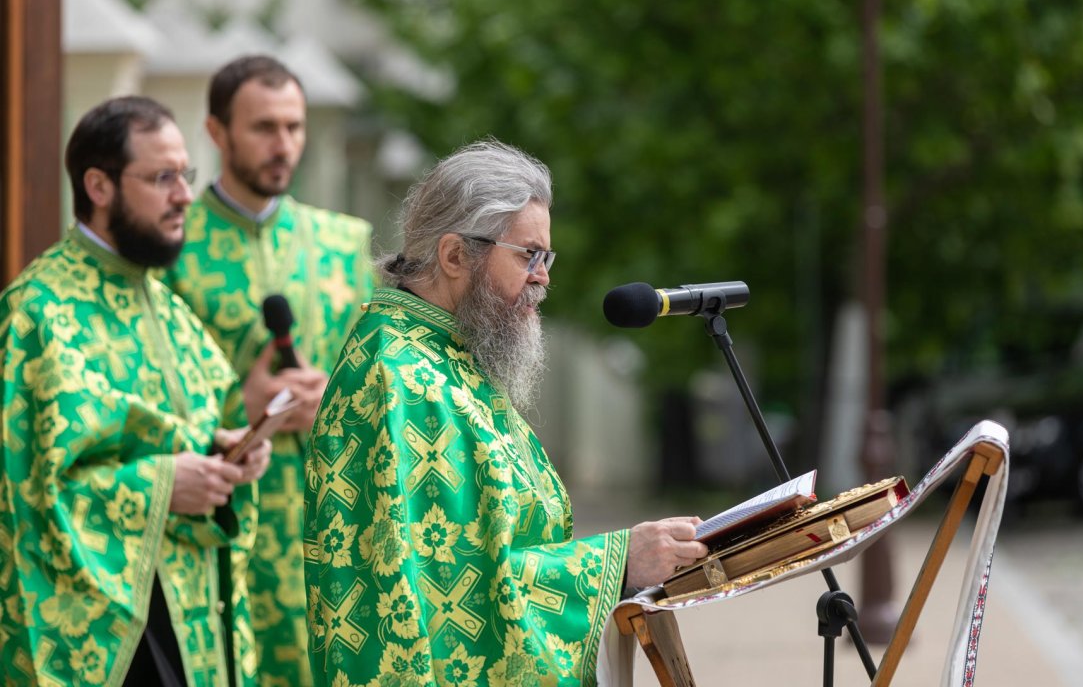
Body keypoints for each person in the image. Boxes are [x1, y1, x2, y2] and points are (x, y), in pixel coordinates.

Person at [303, 140, 708, 686]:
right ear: (453, 256)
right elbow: (444, 602)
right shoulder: (402, 380)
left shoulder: (442, 359)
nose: (543, 277)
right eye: (528, 255)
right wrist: (618, 562)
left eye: (547, 258)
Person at [0, 96, 284, 686]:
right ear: (98, 186)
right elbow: (20, 493)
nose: (184, 195)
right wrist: (161, 484)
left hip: (191, 610)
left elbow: (198, 429)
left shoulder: (169, 309)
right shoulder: (36, 314)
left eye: (186, 175)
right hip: (104, 634)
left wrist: (228, 453)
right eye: (162, 178)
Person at [162, 55, 375, 686]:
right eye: (263, 127)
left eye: (294, 126)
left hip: (329, 524)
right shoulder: (172, 247)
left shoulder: (344, 243)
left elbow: (382, 383)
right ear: (217, 132)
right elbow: (142, 383)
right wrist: (240, 403)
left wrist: (331, 401)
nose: (283, 145)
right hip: (219, 526)